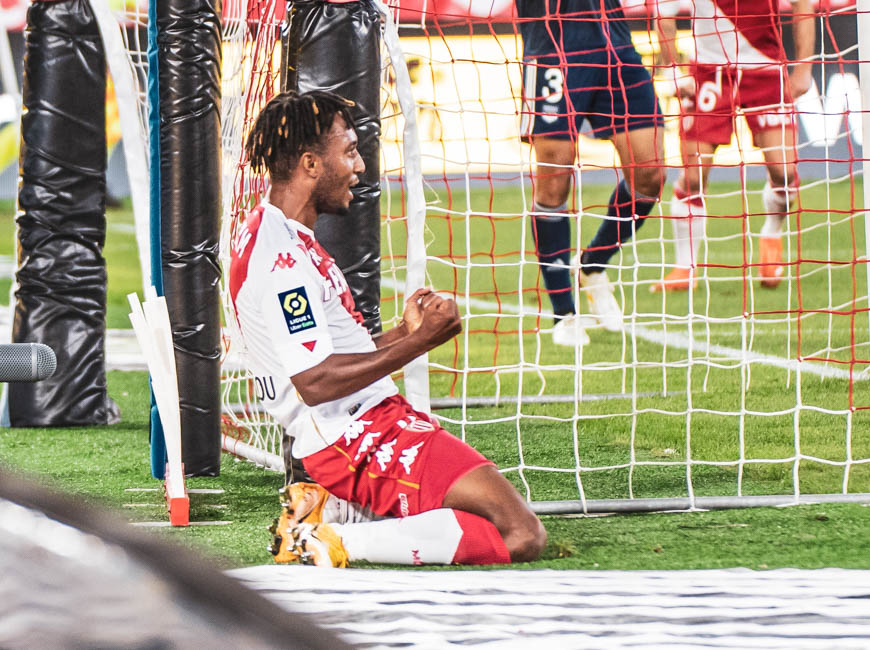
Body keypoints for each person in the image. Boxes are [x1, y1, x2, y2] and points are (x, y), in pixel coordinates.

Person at [230, 90, 546, 567]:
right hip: (355, 435)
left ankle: (329, 508)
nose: (360, 167)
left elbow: (325, 354)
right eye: (350, 152)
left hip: (357, 425)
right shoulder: (283, 260)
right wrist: (420, 342)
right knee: (520, 533)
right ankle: (326, 539)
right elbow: (315, 381)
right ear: (311, 164)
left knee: (477, 513)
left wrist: (402, 333)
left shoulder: (273, 232)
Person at [518, 0, 667, 346]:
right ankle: (564, 314)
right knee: (554, 180)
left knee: (650, 174)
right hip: (553, 45)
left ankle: (592, 264)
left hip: (615, 43)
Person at [651, 0, 815, 292]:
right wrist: (674, 70)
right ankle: (684, 268)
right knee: (693, 176)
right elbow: (663, 14)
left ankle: (772, 234)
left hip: (764, 70)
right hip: (709, 72)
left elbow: (802, 4)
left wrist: (803, 69)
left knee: (784, 174)